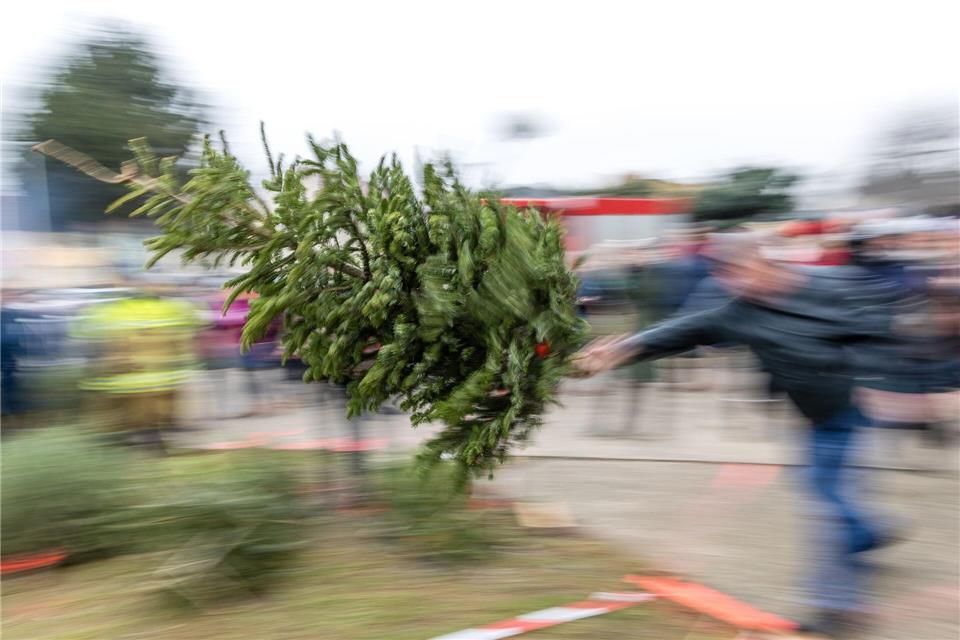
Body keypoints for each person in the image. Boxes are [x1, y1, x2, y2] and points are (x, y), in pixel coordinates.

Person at [574, 231, 919, 639]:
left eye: (743, 272)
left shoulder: (829, 286)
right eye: (729, 278)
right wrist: (618, 351)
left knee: (828, 507)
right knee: (823, 491)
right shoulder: (741, 313)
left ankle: (839, 607)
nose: (739, 285)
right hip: (816, 418)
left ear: (764, 262)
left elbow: (880, 328)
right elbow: (682, 331)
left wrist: (885, 383)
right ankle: (868, 532)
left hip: (856, 411)